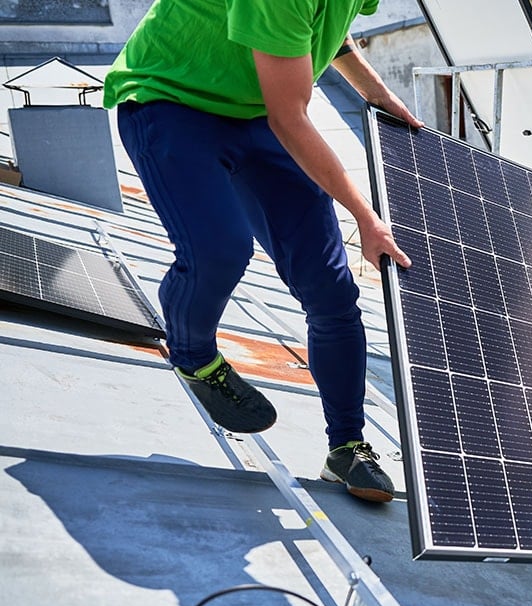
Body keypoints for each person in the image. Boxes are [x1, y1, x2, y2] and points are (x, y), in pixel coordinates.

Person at [103, 0, 423, 503]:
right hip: (173, 99)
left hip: (255, 114)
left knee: (332, 289)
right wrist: (366, 216)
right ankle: (195, 356)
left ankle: (347, 447)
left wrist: (377, 94)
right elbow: (291, 118)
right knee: (219, 249)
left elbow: (328, 33)